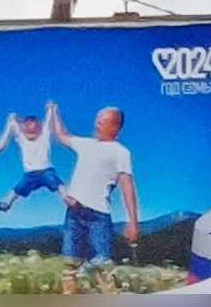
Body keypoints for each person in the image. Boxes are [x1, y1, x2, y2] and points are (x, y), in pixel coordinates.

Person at [41, 101, 140, 292]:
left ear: (115, 126)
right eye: (97, 121)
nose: (96, 125)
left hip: (98, 217)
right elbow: (62, 136)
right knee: (69, 268)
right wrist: (54, 111)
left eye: (102, 122)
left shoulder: (121, 152)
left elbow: (127, 186)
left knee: (103, 269)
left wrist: (133, 222)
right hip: (74, 213)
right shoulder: (86, 144)